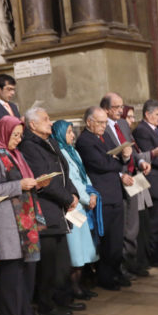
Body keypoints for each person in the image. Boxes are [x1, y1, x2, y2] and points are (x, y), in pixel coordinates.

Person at [0, 116, 49, 315]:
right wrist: (19, 184)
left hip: (25, 219)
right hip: (8, 220)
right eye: (15, 135)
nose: (18, 140)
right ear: (3, 133)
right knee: (12, 274)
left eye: (20, 135)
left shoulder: (16, 154)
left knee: (26, 274)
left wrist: (37, 184)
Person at [18, 108, 81, 315]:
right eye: (45, 119)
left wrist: (73, 193)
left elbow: (64, 172)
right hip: (46, 209)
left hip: (60, 208)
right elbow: (45, 180)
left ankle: (62, 299)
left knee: (62, 262)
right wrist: (66, 198)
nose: (50, 122)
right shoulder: (29, 146)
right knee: (49, 264)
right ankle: (47, 303)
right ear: (32, 125)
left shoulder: (51, 142)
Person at [76, 106, 132, 290]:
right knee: (106, 240)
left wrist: (123, 157)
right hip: (102, 195)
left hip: (114, 192)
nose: (103, 126)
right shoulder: (85, 140)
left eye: (104, 122)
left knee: (116, 239)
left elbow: (113, 160)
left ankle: (116, 272)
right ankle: (106, 277)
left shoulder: (104, 136)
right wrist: (116, 162)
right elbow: (100, 163)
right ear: (89, 122)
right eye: (100, 122)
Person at [100, 93, 152, 278]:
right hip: (117, 180)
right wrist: (120, 175)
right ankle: (119, 267)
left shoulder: (122, 124)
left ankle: (131, 262)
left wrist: (140, 163)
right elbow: (102, 160)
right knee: (121, 227)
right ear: (106, 109)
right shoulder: (100, 127)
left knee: (134, 225)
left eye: (122, 107)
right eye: (117, 108)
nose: (121, 111)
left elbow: (132, 149)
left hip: (133, 178)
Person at [51, 120, 100, 299]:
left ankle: (80, 284)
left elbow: (84, 176)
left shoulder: (73, 151)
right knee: (75, 250)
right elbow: (73, 181)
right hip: (73, 206)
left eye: (73, 131)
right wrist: (87, 198)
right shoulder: (61, 153)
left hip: (84, 204)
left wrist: (92, 193)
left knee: (85, 248)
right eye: (69, 132)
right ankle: (73, 287)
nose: (73, 135)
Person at [133, 100, 158, 267]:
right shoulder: (141, 130)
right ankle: (154, 256)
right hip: (155, 182)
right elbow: (152, 157)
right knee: (156, 223)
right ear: (147, 114)